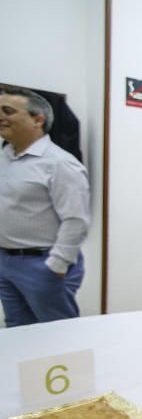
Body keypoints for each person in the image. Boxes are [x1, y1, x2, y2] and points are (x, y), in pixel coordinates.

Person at [0, 87, 90, 327]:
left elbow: (76, 220)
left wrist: (56, 266)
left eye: (8, 111)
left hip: (43, 264)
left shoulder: (60, 163)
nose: (1, 116)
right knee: (17, 330)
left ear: (37, 120)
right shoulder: (5, 157)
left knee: (57, 335)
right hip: (6, 261)